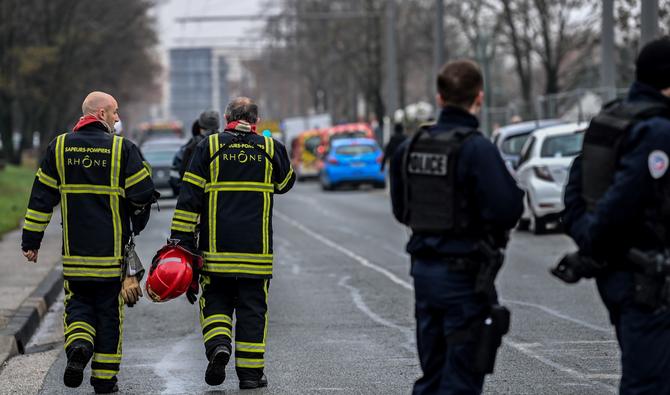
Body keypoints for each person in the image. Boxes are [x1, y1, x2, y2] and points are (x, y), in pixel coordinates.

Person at [389, 60, 523, 394]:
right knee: (460, 379)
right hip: (464, 279)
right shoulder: (477, 149)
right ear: (479, 97)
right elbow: (508, 209)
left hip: (424, 274)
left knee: (432, 373)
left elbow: (402, 210)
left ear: (439, 98)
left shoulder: (410, 147)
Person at [21, 91, 156, 394]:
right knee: (109, 315)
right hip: (111, 258)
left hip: (75, 256)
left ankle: (80, 344)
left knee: (78, 306)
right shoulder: (123, 150)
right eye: (114, 112)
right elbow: (144, 193)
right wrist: (136, 217)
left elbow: (41, 199)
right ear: (100, 114)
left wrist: (31, 241)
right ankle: (104, 379)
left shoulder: (59, 147)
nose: (118, 118)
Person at [559, 37, 670, 394]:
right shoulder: (657, 131)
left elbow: (576, 194)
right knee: (649, 384)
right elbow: (624, 200)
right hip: (647, 279)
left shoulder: (611, 117)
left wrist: (589, 242)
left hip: (621, 275)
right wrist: (595, 241)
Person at [168, 97, 295, 389]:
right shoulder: (270, 148)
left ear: (227, 118)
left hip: (216, 252)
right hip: (256, 254)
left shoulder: (208, 147)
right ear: (256, 121)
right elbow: (285, 183)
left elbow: (189, 200)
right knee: (253, 311)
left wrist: (181, 244)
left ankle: (219, 346)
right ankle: (250, 376)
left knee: (215, 302)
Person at [170, 112, 221, 196]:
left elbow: (180, 172)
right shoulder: (226, 142)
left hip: (195, 195)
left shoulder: (192, 145)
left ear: (200, 127)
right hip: (221, 197)